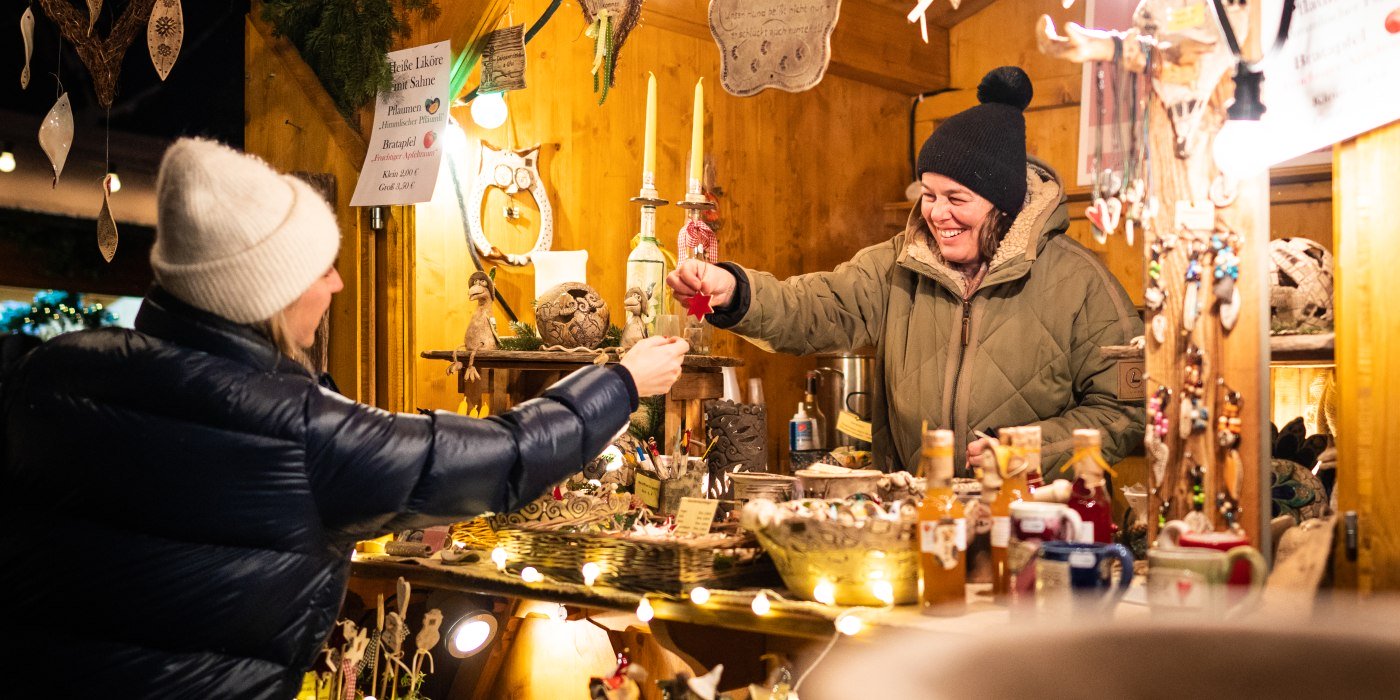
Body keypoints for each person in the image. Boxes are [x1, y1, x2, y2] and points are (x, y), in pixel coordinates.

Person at [0, 138, 689, 697]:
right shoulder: (296, 429)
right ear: (263, 290)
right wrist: (623, 381)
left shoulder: (51, 370)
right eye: (319, 269)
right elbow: (506, 457)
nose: (335, 284)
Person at [668, 66, 1144, 477]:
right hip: (919, 523)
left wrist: (1032, 450)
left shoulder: (1080, 284)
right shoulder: (899, 263)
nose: (938, 214)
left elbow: (1125, 410)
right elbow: (817, 307)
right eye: (930, 195)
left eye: (958, 199)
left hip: (1035, 531)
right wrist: (735, 290)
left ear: (1004, 204)